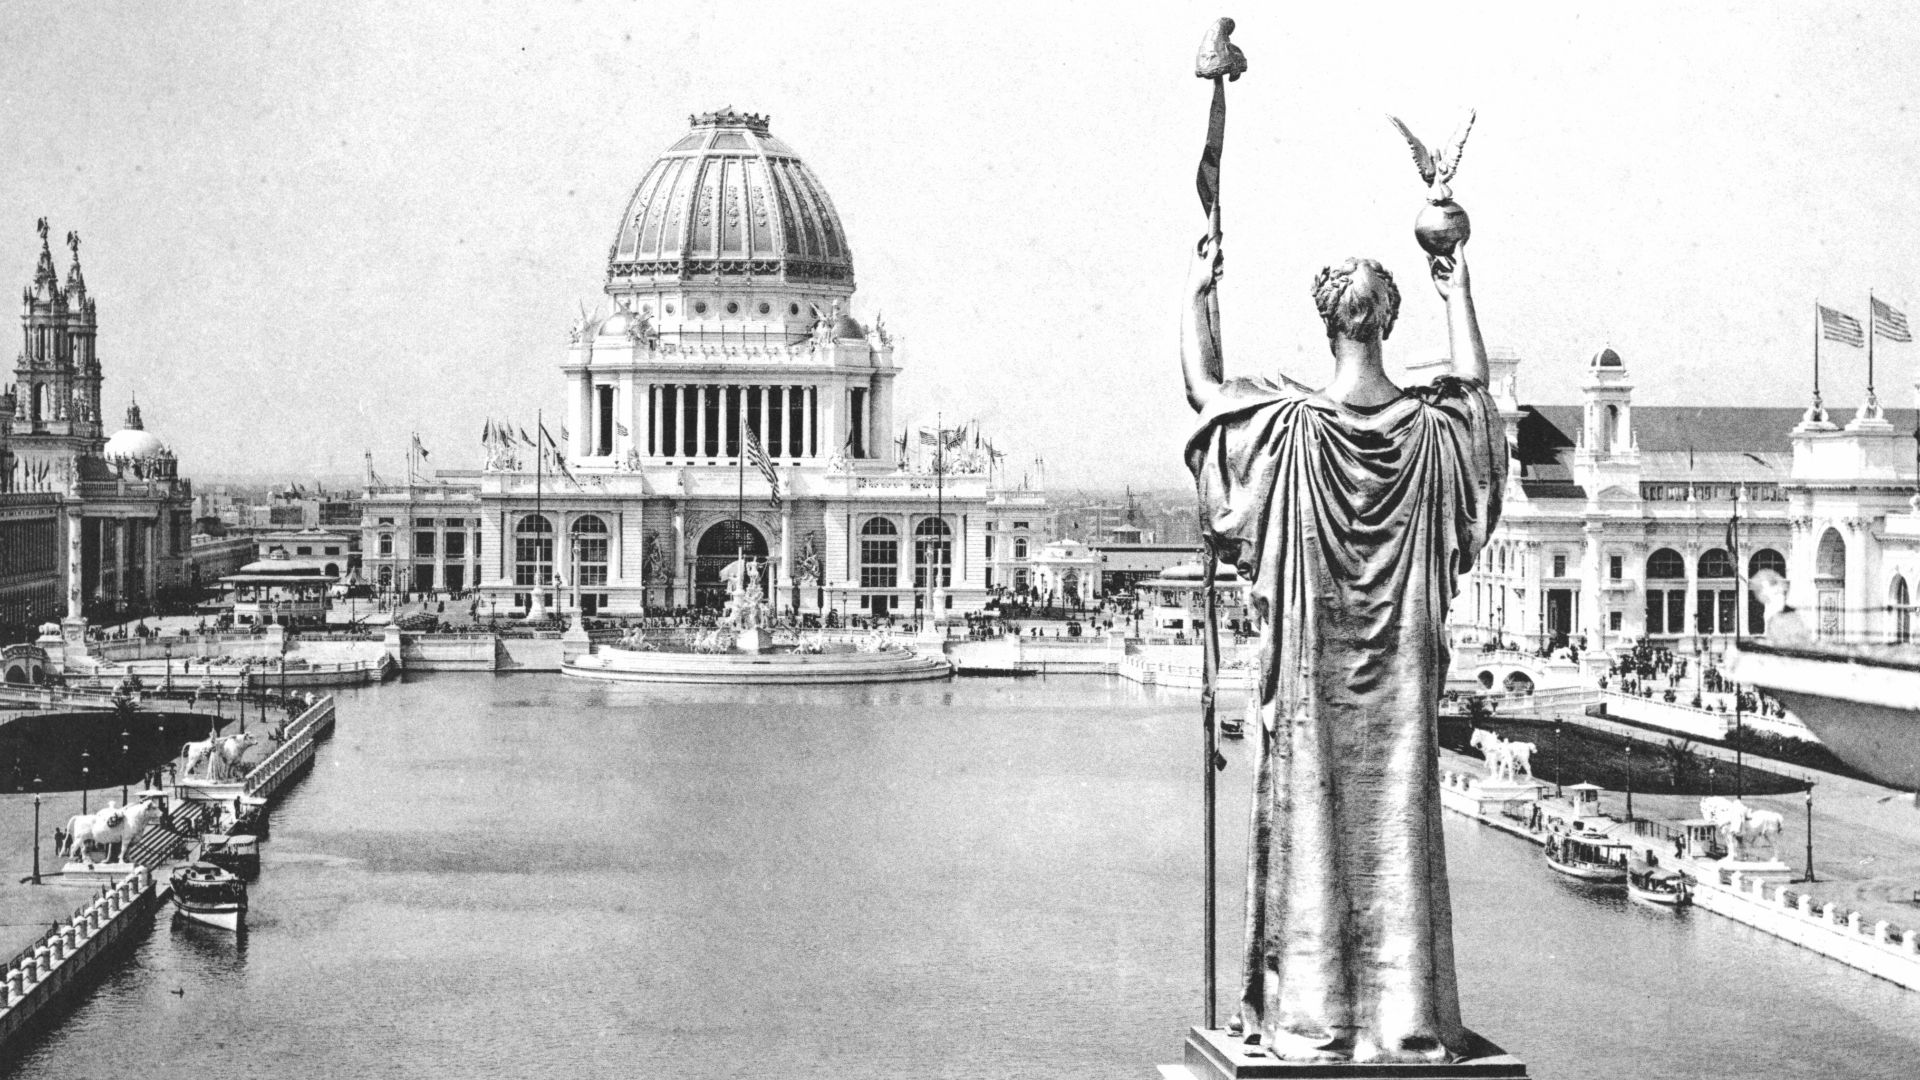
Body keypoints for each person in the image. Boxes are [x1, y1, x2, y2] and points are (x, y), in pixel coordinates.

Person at [1182, 218, 1500, 1063]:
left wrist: (1199, 290)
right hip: (1401, 676)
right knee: (1397, 822)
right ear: (1389, 320)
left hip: (1311, 673)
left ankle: (1313, 1015)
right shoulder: (1435, 432)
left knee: (1311, 821)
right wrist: (1458, 290)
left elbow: (1205, 391)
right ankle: (1405, 1015)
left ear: (1327, 323)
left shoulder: (1284, 430)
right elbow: (1478, 397)